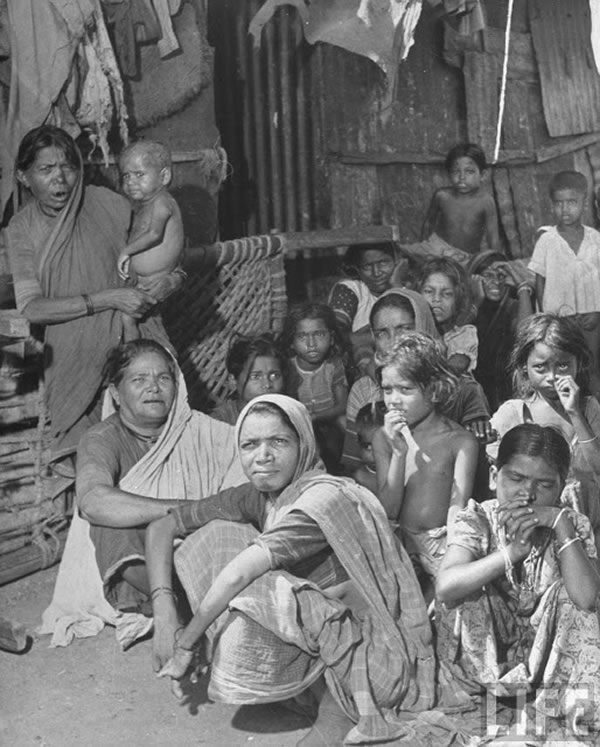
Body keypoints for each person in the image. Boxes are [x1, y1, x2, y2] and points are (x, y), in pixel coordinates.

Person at [146, 394, 438, 745]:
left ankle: (336, 706)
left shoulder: (318, 501)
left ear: (304, 442)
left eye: (279, 441)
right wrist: (164, 610)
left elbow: (238, 575)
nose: (263, 456)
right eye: (249, 444)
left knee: (250, 581)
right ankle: (306, 691)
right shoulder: (256, 495)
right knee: (213, 537)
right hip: (320, 635)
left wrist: (185, 644)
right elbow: (162, 527)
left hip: (371, 654)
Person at [39, 340, 246, 648]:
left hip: (200, 550)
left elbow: (245, 473)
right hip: (147, 563)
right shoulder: (102, 438)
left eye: (163, 378)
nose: (154, 388)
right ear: (116, 394)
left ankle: (204, 603)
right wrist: (187, 509)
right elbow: (94, 501)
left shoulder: (203, 431)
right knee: (107, 522)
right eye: (139, 380)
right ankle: (181, 606)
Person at [4, 125, 181, 455]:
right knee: (92, 459)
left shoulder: (108, 205)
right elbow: (33, 308)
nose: (61, 179)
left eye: (69, 168)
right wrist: (109, 298)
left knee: (159, 446)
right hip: (77, 360)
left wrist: (172, 280)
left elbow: (164, 257)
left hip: (138, 342)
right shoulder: (22, 228)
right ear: (23, 176)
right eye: (45, 170)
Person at [436, 424, 600, 736]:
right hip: (484, 661)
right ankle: (479, 698)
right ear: (493, 475)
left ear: (561, 486)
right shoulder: (477, 517)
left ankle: (571, 709)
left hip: (546, 663)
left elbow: (587, 598)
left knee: (575, 594)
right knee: (465, 589)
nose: (528, 494)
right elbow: (445, 586)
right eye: (516, 478)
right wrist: (513, 551)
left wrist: (560, 525)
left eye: (545, 484)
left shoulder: (571, 522)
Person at [342, 288, 491, 473]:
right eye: (382, 333)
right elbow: (353, 465)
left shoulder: (458, 387)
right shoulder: (364, 389)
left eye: (405, 329)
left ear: (424, 325)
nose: (394, 341)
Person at [372, 332, 478, 589]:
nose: (394, 399)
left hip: (442, 546)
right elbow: (388, 510)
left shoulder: (460, 442)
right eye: (387, 390)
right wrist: (399, 453)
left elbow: (458, 510)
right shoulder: (383, 437)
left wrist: (450, 567)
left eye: (406, 389)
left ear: (434, 390)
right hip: (399, 544)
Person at [488, 314, 600, 550]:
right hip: (530, 528)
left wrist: (574, 414)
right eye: (541, 367)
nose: (552, 377)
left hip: (589, 526)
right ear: (524, 368)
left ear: (578, 363)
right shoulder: (513, 414)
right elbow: (502, 482)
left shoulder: (589, 410)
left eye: (562, 365)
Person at [529, 170, 600, 395]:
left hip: (591, 318)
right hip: (559, 319)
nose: (565, 209)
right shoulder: (547, 240)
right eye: (559, 203)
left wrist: (597, 312)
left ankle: (594, 411)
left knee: (591, 365)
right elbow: (540, 281)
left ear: (584, 203)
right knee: (563, 367)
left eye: (572, 202)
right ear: (551, 206)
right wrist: (547, 317)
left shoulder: (595, 239)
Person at [117, 140, 185, 342]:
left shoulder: (163, 202)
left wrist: (126, 252)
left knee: (127, 317)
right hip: (142, 281)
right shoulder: (144, 206)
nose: (130, 182)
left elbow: (154, 234)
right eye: (126, 176)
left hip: (156, 282)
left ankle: (133, 352)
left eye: (139, 174)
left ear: (164, 176)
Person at [281, 302, 348, 471]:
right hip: (301, 422)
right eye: (302, 336)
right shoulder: (288, 369)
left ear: (331, 338)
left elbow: (342, 405)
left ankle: (350, 466)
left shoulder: (334, 366)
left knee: (345, 423)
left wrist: (317, 416)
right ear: (291, 342)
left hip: (330, 419)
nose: (311, 343)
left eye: (319, 334)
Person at [469, 250, 533, 412]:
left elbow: (525, 334)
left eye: (501, 276)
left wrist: (522, 287)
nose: (496, 281)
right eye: (488, 275)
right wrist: (476, 300)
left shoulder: (512, 307)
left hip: (505, 393)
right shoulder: (465, 309)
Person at [328, 242, 396, 376]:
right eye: (367, 266)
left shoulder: (405, 289)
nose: (376, 272)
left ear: (397, 261)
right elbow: (336, 335)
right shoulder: (350, 289)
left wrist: (397, 285)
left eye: (383, 263)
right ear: (357, 269)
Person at [420, 142, 500, 256]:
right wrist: (424, 250)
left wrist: (495, 262)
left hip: (467, 258)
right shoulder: (442, 196)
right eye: (456, 171)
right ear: (448, 174)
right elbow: (428, 224)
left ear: (483, 175)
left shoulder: (486, 201)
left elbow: (493, 238)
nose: (462, 177)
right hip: (441, 254)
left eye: (469, 171)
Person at [417, 256, 478, 376]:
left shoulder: (464, 335)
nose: (437, 299)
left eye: (447, 294)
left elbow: (449, 373)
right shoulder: (410, 329)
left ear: (458, 299)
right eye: (429, 291)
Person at [210, 333, 287, 425]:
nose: (267, 384)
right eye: (256, 377)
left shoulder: (291, 416)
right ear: (233, 380)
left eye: (274, 376)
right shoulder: (218, 423)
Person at [352, 402, 385, 495]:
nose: (375, 454)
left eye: (384, 446)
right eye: (368, 447)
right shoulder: (359, 481)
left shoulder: (408, 476)